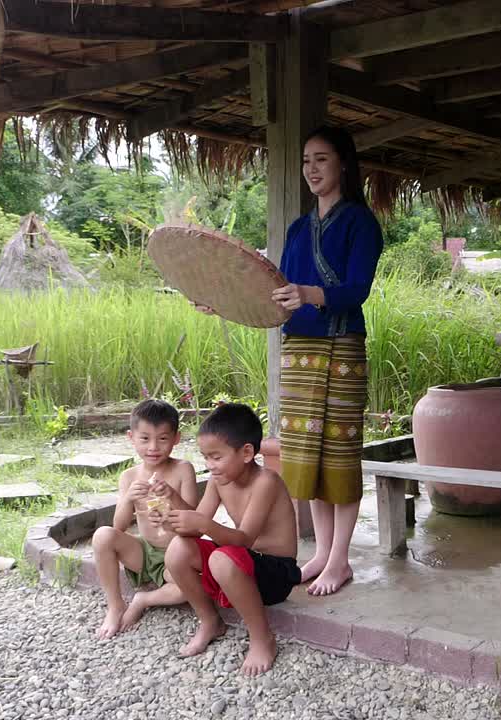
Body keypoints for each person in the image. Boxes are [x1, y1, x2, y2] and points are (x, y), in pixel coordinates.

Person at [271, 125, 384, 596]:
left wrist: (308, 295)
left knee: (338, 455)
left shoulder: (361, 222)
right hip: (298, 350)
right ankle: (319, 552)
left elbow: (357, 290)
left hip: (340, 348)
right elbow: (275, 289)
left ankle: (340, 560)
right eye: (305, 161)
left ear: (342, 163)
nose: (311, 169)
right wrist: (228, 300)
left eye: (320, 159)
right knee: (308, 457)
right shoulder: (299, 228)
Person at [156, 403, 300, 676]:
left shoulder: (266, 482)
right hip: (241, 565)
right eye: (206, 458)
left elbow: (243, 539)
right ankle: (210, 621)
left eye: (216, 457)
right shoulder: (217, 481)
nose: (210, 465)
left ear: (246, 452)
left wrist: (204, 524)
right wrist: (170, 503)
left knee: (223, 558)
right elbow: (194, 530)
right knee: (178, 549)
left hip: (276, 574)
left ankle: (262, 638)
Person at [90, 399, 198, 640]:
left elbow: (193, 518)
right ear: (131, 437)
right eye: (145, 438)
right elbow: (119, 526)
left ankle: (143, 599)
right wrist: (128, 499)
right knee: (103, 535)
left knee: (189, 588)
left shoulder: (183, 470)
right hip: (144, 552)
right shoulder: (129, 476)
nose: (153, 447)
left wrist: (172, 496)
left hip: (175, 554)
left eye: (162, 438)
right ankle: (115, 605)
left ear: (176, 438)